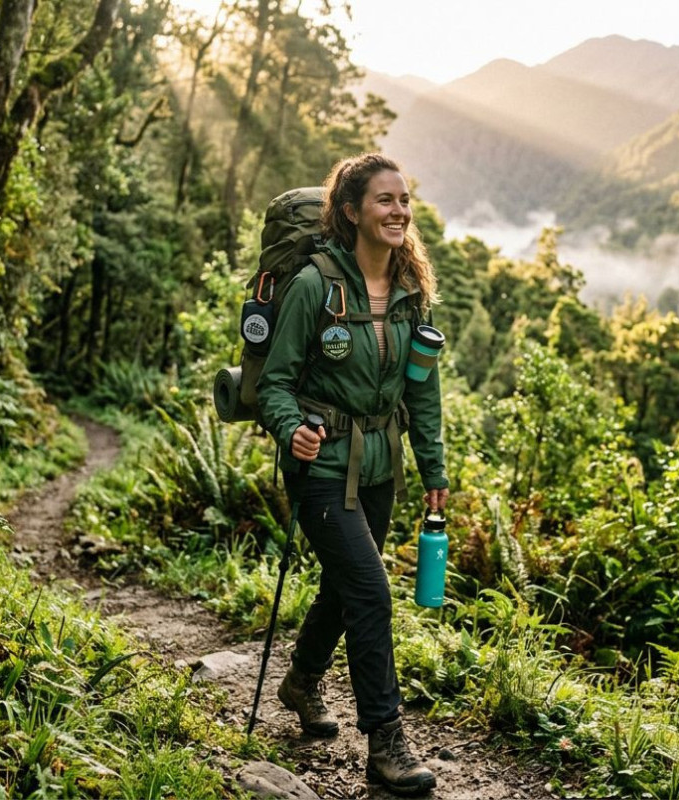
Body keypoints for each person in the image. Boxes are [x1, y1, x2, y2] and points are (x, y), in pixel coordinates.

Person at [256, 152, 449, 796]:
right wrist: (293, 429)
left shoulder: (410, 294)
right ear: (351, 212)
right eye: (384, 201)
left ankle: (302, 680)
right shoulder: (316, 286)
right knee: (370, 592)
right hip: (319, 466)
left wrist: (434, 470)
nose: (399, 211)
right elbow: (276, 386)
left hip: (378, 468)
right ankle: (386, 742)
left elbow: (421, 392)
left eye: (404, 200)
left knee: (345, 588)